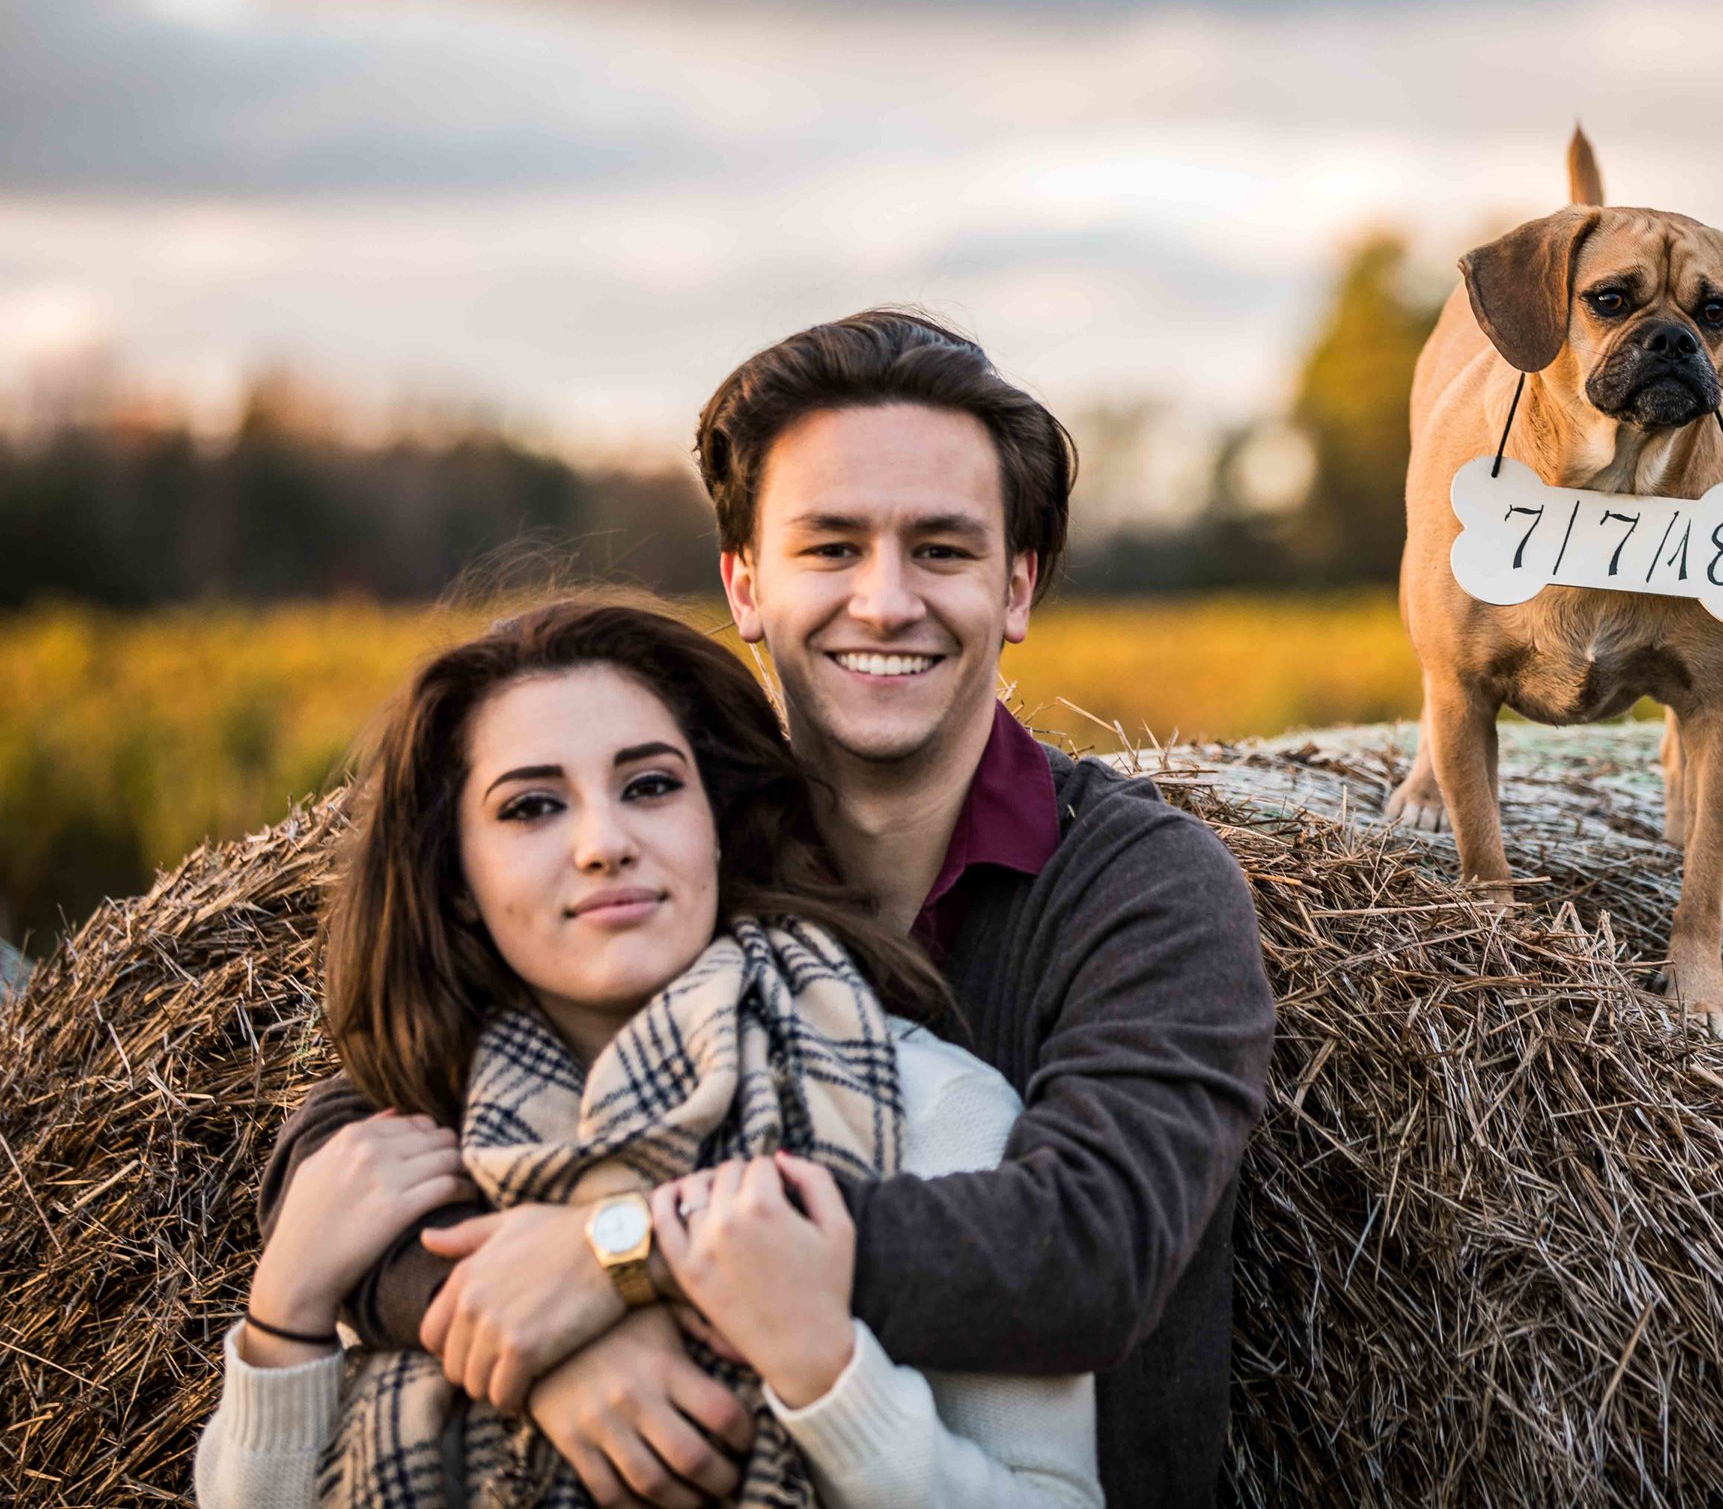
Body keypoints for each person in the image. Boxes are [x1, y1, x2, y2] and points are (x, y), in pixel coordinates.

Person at [261, 311, 1277, 1508]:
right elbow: (349, 1139)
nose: (885, 600)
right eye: (830, 547)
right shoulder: (667, 847)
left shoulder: (1145, 888)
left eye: (941, 551)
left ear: (1018, 586)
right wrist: (530, 1342)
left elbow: (1087, 1250)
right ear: (745, 583)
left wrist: (623, 1257)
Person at [198, 599, 1101, 1508]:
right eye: (533, 807)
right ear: (458, 881)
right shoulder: (402, 1167)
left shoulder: (931, 1107)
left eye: (651, 786)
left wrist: (826, 1375)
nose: (604, 845)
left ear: (714, 821)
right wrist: (283, 1314)